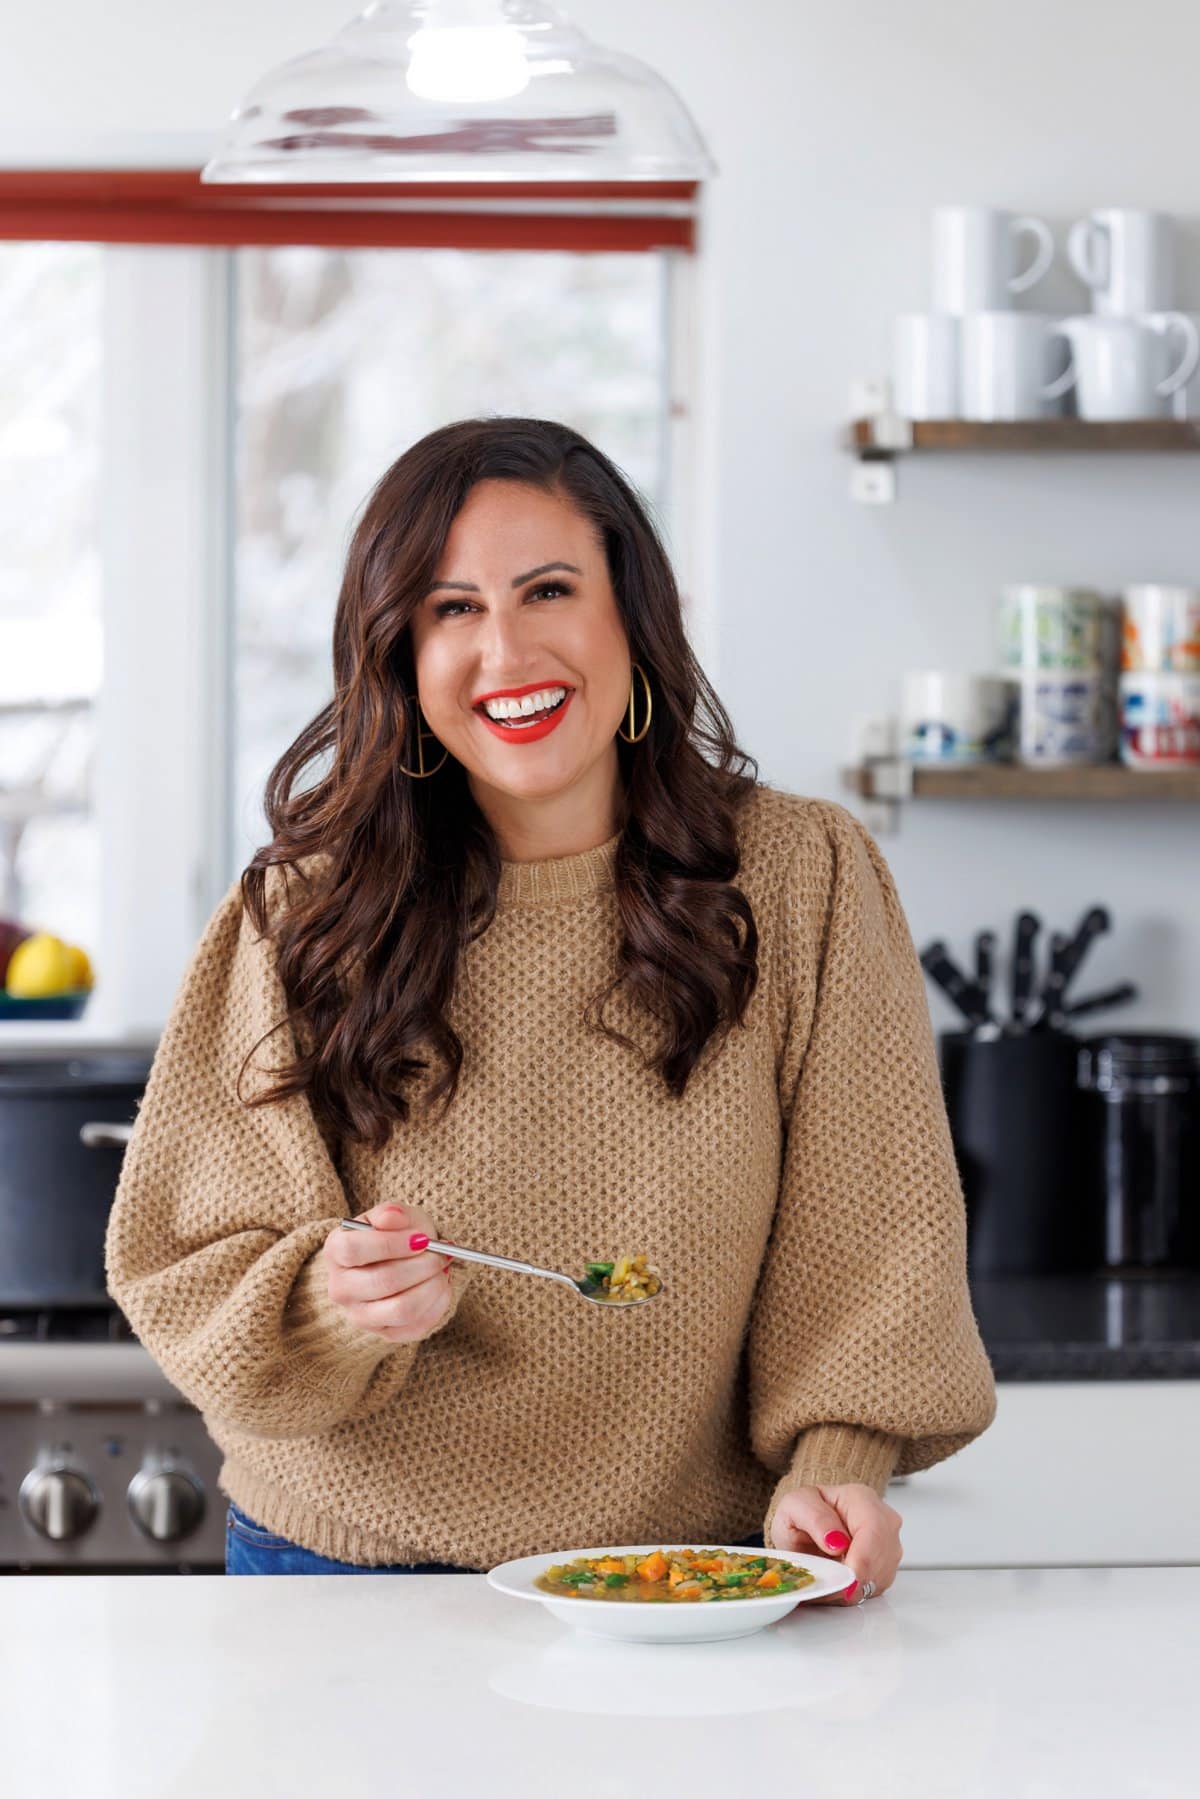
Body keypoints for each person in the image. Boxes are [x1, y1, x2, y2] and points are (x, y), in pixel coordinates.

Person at [105, 416, 996, 1587]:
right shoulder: (302, 909)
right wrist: (330, 1300)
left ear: (632, 611)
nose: (506, 651)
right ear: (399, 653)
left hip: (686, 1573)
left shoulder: (802, 875)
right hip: (343, 1567)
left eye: (548, 590)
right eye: (451, 608)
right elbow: (185, 1253)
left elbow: (873, 1230)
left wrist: (837, 1462)